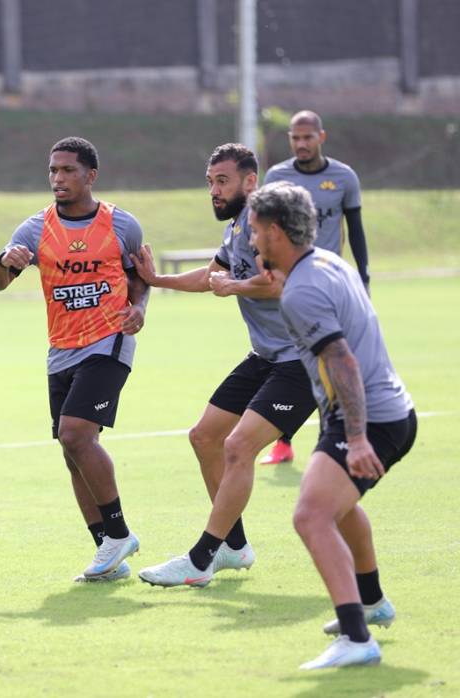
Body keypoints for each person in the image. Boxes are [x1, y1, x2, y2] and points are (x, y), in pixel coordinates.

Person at [132, 143, 316, 588]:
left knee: (237, 447)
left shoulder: (270, 223)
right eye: (210, 182)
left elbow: (281, 282)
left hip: (304, 359)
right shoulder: (238, 225)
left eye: (222, 181)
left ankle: (201, 559)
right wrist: (157, 279)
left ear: (250, 181)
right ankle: (234, 546)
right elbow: (210, 275)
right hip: (266, 357)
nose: (214, 190)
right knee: (205, 437)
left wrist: (234, 286)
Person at [248, 181, 415, 669]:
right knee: (338, 508)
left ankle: (358, 638)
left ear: (276, 232)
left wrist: (357, 438)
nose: (252, 239)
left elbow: (342, 361)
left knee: (310, 516)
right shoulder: (325, 262)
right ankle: (371, 601)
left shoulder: (303, 290)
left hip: (368, 419)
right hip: (386, 411)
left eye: (256, 230)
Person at [0, 136, 148, 583]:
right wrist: (4, 262)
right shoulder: (34, 229)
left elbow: (139, 279)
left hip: (109, 342)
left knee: (75, 433)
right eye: (53, 170)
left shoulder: (122, 225)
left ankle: (119, 534)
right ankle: (107, 552)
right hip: (61, 350)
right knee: (71, 450)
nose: (58, 178)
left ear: (90, 175)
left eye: (68, 170)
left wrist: (139, 309)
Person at [259, 110, 371, 466]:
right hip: (289, 287)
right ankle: (284, 440)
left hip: (329, 286)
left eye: (308, 137)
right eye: (295, 138)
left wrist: (364, 280)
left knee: (330, 361)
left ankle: (332, 437)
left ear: (321, 137)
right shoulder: (277, 177)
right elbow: (265, 229)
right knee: (294, 362)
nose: (301, 144)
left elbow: (356, 231)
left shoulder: (344, 177)